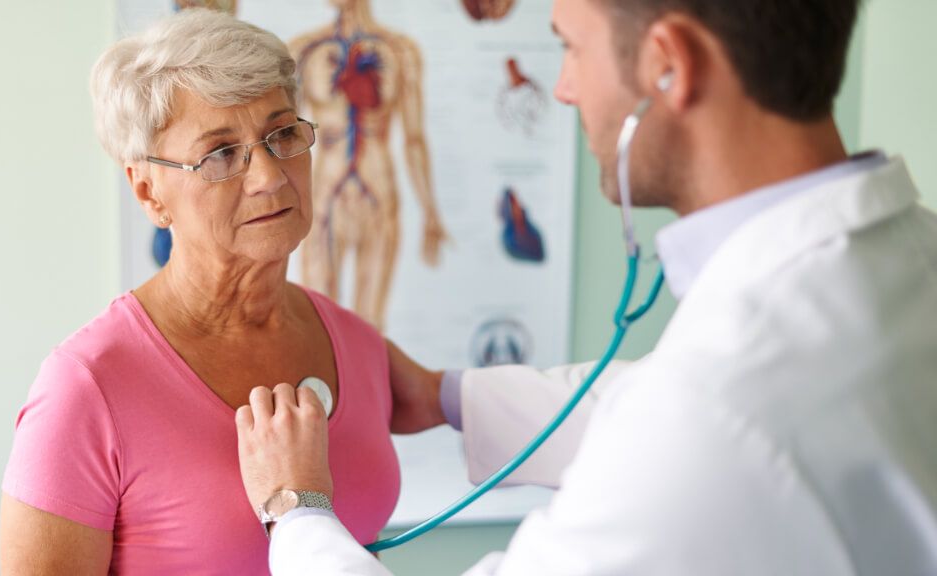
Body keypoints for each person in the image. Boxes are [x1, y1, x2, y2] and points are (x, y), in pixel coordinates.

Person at [234, 0, 937, 574]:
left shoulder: (715, 410)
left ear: (669, 64)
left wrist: (296, 513)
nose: (564, 87)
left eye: (570, 47)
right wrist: (447, 396)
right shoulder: (905, 253)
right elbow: (662, 398)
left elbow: (698, 418)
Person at [0, 9, 401, 575]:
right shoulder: (85, 388)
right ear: (148, 190)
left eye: (283, 133)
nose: (269, 175)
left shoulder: (353, 340)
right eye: (220, 154)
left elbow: (470, 401)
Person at [290, 0, 450, 330]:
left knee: (371, 324)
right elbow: (285, 139)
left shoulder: (401, 51)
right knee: (318, 322)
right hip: (324, 200)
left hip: (379, 194)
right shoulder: (303, 51)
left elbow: (414, 138)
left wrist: (431, 212)